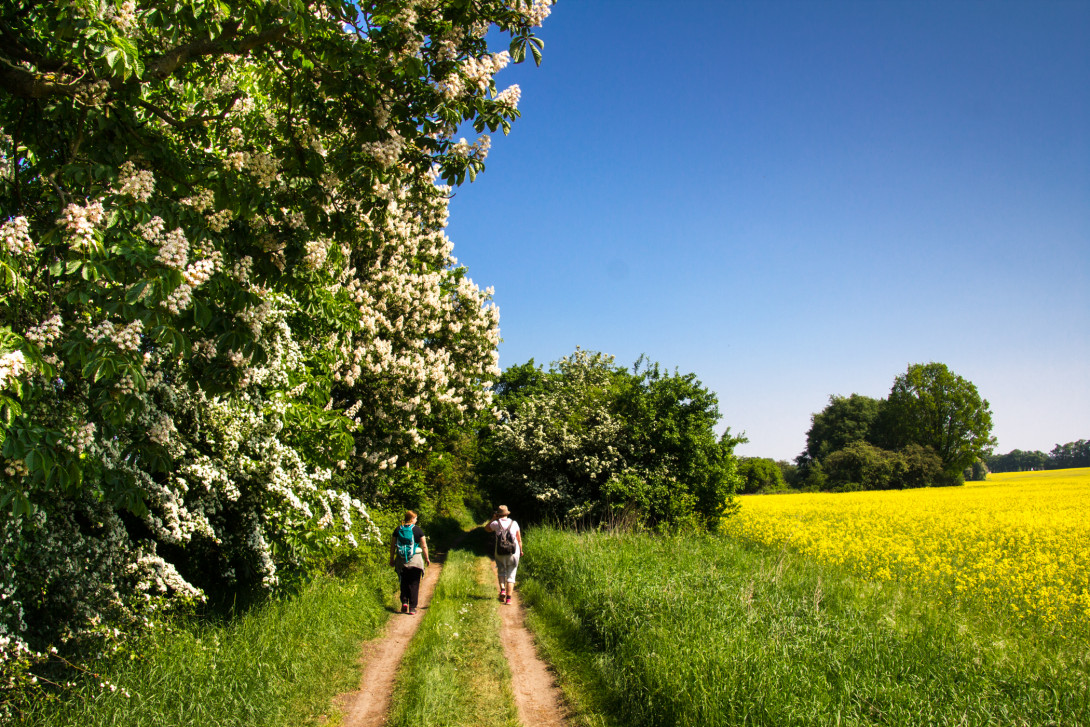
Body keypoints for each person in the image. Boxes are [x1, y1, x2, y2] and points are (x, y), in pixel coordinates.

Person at [389, 510, 430, 615]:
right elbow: (424, 545)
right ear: (412, 519)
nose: (416, 520)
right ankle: (412, 608)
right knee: (414, 583)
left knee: (404, 582)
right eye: (416, 518)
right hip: (415, 560)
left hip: (401, 561)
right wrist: (427, 558)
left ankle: (404, 602)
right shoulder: (418, 530)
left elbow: (393, 545)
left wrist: (391, 559)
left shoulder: (398, 529)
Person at [485, 505, 523, 605]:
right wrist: (521, 551)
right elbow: (519, 539)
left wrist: (493, 518)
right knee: (511, 575)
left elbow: (486, 529)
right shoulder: (514, 523)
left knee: (501, 571)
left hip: (500, 552)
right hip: (513, 552)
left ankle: (502, 590)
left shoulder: (495, 523)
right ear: (507, 513)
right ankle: (509, 599)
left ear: (498, 514)